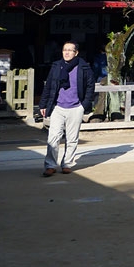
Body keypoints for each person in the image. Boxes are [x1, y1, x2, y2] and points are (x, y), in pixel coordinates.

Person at [39, 41, 96, 175]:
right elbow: (49, 86)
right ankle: (50, 165)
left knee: (72, 138)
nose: (67, 52)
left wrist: (84, 105)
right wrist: (43, 104)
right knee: (53, 137)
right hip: (57, 106)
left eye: (70, 50)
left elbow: (90, 87)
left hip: (76, 107)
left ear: (76, 53)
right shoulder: (56, 66)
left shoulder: (84, 68)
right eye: (65, 50)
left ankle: (67, 163)